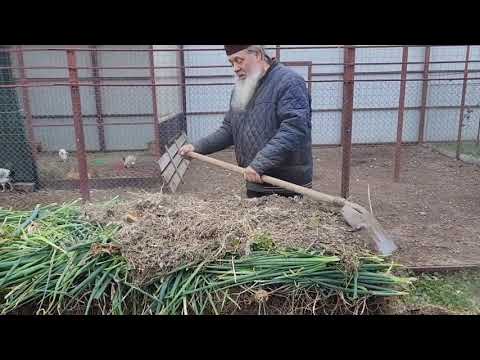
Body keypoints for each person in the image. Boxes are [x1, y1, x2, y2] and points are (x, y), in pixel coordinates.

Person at [180, 45, 313, 199]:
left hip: (286, 186)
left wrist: (259, 164)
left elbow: (294, 129)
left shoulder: (288, 82)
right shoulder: (242, 88)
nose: (235, 68)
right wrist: (197, 147)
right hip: (255, 180)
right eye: (232, 63)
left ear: (257, 55)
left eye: (239, 60)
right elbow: (229, 130)